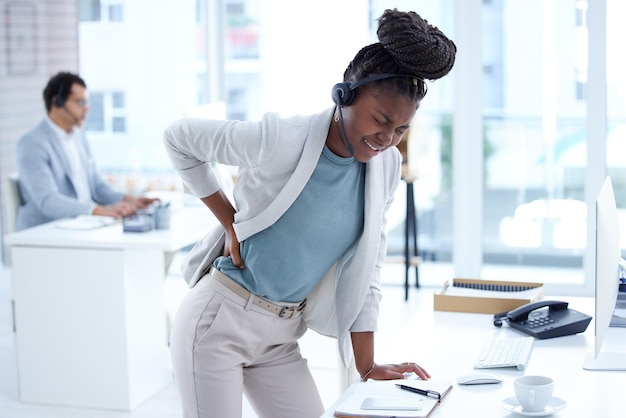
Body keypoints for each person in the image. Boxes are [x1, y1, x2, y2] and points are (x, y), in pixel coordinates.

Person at [163, 9, 456, 418]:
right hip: (219, 322)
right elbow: (179, 140)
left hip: (280, 336)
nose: (388, 139)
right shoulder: (282, 139)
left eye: (401, 129)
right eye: (380, 120)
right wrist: (228, 219)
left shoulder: (385, 168)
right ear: (344, 95)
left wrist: (366, 365)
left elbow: (368, 269)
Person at [15, 71, 158, 230]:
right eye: (80, 102)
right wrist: (97, 210)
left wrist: (129, 200)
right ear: (57, 102)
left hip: (84, 225)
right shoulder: (32, 143)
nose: (86, 109)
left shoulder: (78, 137)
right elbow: (48, 200)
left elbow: (97, 187)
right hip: (48, 230)